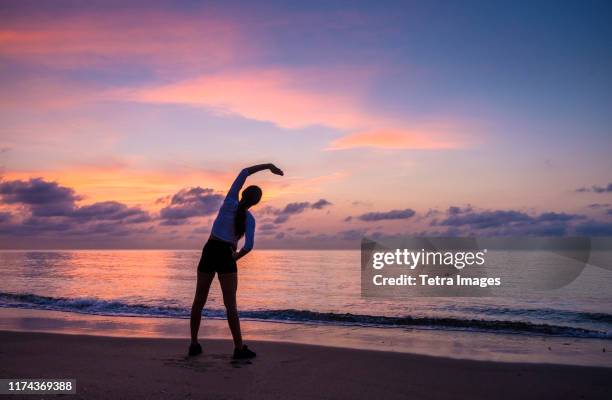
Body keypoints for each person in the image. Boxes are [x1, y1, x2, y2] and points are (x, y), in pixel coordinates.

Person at [189, 163, 284, 359]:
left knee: (199, 301)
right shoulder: (249, 219)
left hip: (209, 250)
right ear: (255, 203)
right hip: (226, 255)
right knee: (230, 305)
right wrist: (235, 257)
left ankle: (194, 343)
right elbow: (248, 246)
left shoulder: (229, 201)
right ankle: (238, 347)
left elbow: (244, 172)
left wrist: (268, 166)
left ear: (242, 194)